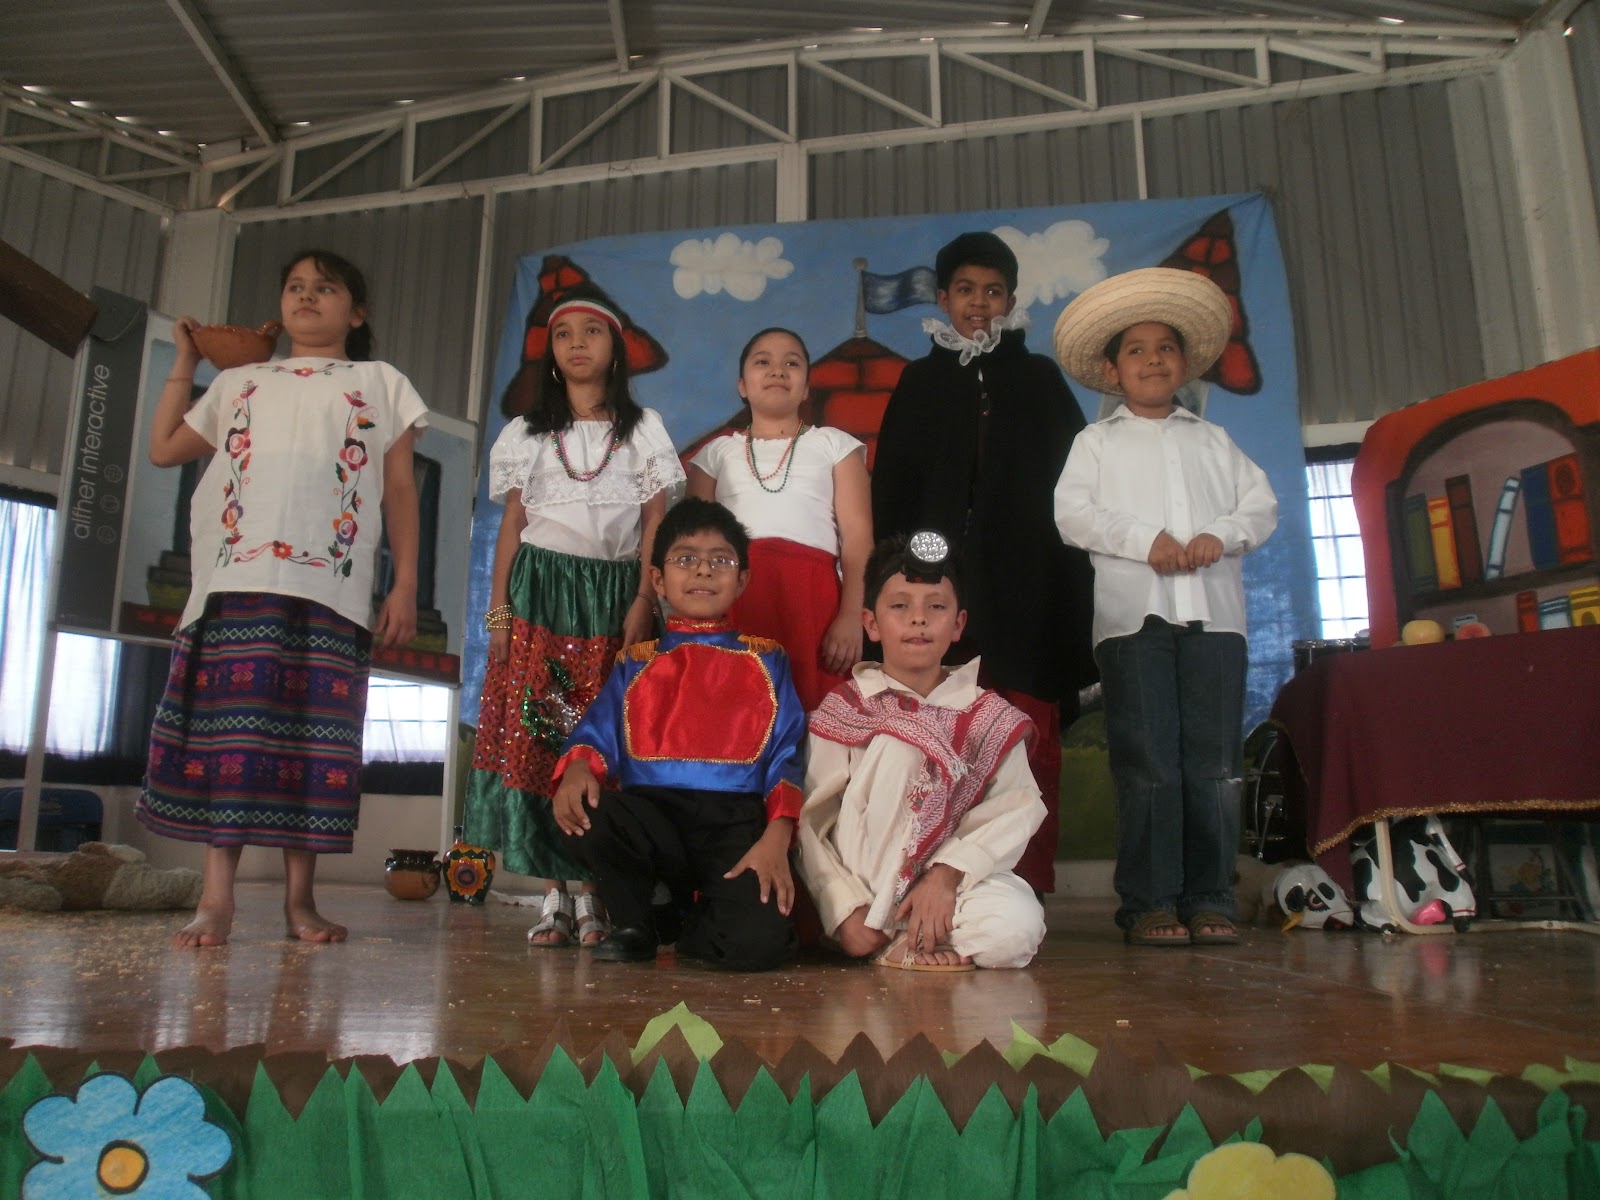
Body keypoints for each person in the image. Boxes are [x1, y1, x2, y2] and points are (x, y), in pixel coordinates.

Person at [137, 249, 427, 947]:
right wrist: (186, 360)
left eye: (325, 288)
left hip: (330, 588)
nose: (306, 297)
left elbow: (397, 488)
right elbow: (164, 448)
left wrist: (406, 583)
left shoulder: (380, 382)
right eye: (295, 286)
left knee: (312, 742)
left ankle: (302, 902)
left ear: (355, 313)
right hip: (234, 582)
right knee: (229, 740)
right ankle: (216, 900)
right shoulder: (240, 382)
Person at [1051, 266, 1278, 947]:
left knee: (1214, 764)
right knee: (1148, 762)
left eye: (1165, 348)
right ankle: (1149, 901)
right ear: (1112, 371)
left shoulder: (1214, 441)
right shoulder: (1094, 444)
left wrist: (1222, 535)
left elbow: (1260, 507)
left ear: (1184, 363)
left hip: (1215, 622)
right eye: (1136, 350)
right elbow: (1072, 515)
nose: (1153, 360)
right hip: (1134, 624)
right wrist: (1143, 540)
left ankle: (1210, 898)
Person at [871, 231, 1095, 896]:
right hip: (937, 589)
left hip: (1027, 590)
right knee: (940, 736)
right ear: (943, 299)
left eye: (993, 292)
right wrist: (899, 578)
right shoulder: (919, 382)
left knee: (1026, 735)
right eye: (966, 290)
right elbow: (893, 491)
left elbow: (1076, 487)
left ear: (1011, 302)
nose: (979, 303)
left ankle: (1024, 887)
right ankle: (928, 886)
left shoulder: (1039, 379)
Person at [464, 284, 684, 949]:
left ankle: (596, 892)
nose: (578, 343)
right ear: (552, 355)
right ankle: (555, 894)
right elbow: (513, 525)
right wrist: (499, 611)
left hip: (614, 595)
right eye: (564, 334)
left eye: (592, 331)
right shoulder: (526, 432)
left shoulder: (643, 430)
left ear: (615, 348)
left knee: (600, 735)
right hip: (541, 592)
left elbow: (654, 520)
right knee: (540, 733)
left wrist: (645, 599)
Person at [551, 497, 805, 971]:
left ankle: (688, 921)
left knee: (758, 947)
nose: (703, 571)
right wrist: (579, 767)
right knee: (585, 809)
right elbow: (595, 733)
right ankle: (634, 925)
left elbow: (787, 752)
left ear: (742, 580)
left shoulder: (767, 659)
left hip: (733, 827)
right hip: (652, 819)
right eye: (686, 559)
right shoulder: (635, 663)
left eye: (720, 561)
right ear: (658, 580)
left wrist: (777, 836)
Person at [797, 531, 1046, 971]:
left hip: (952, 889)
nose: (918, 619)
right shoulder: (845, 710)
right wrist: (843, 909)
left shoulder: (988, 716)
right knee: (899, 745)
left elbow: (1016, 809)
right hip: (869, 893)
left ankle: (910, 943)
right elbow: (811, 822)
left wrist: (946, 875)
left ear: (959, 624)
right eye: (899, 606)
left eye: (936, 607)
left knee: (1017, 928)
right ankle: (899, 936)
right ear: (871, 624)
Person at [686, 328, 873, 710]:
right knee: (734, 711)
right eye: (762, 362)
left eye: (792, 362)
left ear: (806, 388)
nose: (777, 370)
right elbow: (693, 545)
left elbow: (858, 537)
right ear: (742, 385)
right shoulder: (715, 454)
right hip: (735, 595)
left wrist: (852, 615)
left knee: (810, 711)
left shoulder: (835, 445)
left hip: (812, 600)